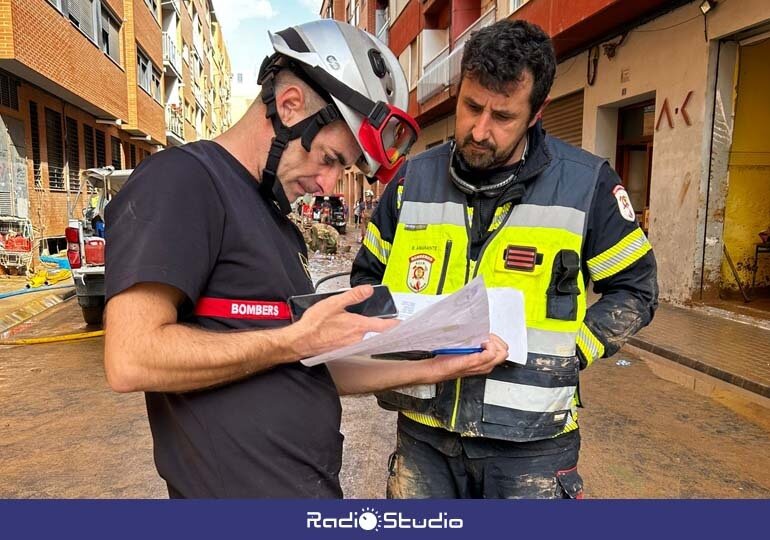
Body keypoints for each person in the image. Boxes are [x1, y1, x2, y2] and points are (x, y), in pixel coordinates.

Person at [103, 19, 508, 499]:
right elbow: (130, 357)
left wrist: (433, 369)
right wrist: (297, 339)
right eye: (332, 158)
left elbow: (305, 363)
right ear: (290, 104)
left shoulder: (274, 220)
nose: (330, 185)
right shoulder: (186, 181)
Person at [351, 19, 658, 499]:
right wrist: (400, 337)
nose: (479, 129)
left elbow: (636, 290)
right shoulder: (412, 181)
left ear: (537, 113)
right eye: (471, 106)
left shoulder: (587, 185)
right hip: (424, 434)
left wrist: (571, 352)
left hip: (533, 447)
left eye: (503, 116)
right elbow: (367, 283)